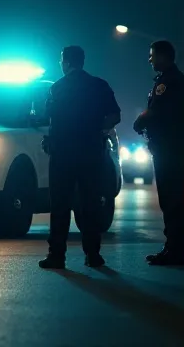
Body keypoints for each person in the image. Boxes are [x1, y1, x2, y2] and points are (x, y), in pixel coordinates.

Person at [39, 46, 121, 270]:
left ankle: (57, 255)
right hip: (91, 152)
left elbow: (47, 116)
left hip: (63, 154)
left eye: (61, 61)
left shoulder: (57, 88)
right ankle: (93, 255)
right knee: (90, 204)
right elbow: (115, 115)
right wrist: (97, 130)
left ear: (66, 62)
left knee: (60, 205)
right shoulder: (99, 85)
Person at [133, 40, 184, 266]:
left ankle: (175, 251)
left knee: (171, 199)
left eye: (152, 55)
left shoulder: (169, 82)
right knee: (171, 199)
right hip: (171, 147)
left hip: (170, 148)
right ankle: (174, 248)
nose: (150, 60)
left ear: (163, 56)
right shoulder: (171, 79)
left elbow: (157, 111)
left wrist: (140, 121)